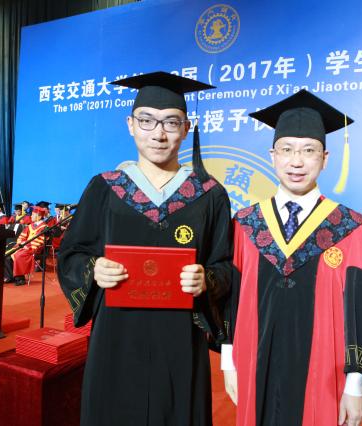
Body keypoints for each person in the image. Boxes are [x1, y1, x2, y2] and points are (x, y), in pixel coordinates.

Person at [57, 72, 231, 426]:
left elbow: (227, 265)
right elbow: (71, 254)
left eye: (171, 122)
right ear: (131, 125)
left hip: (180, 338)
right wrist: (94, 269)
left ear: (186, 128)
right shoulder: (105, 188)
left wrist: (207, 280)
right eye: (147, 120)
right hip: (117, 336)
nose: (159, 133)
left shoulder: (209, 195)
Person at [223, 90, 362, 426]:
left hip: (324, 377)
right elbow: (228, 299)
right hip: (254, 364)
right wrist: (229, 363)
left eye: (308, 151)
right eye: (287, 150)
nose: (296, 162)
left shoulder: (350, 228)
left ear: (324, 158)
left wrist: (355, 385)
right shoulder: (245, 224)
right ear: (272, 156)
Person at [4, 205, 48, 286]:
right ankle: (10, 277)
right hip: (24, 246)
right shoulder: (30, 226)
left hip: (34, 249)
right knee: (7, 255)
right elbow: (22, 236)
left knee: (18, 255)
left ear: (39, 216)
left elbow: (39, 242)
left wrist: (27, 246)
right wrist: (21, 244)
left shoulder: (44, 228)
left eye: (33, 215)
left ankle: (20, 278)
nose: (31, 216)